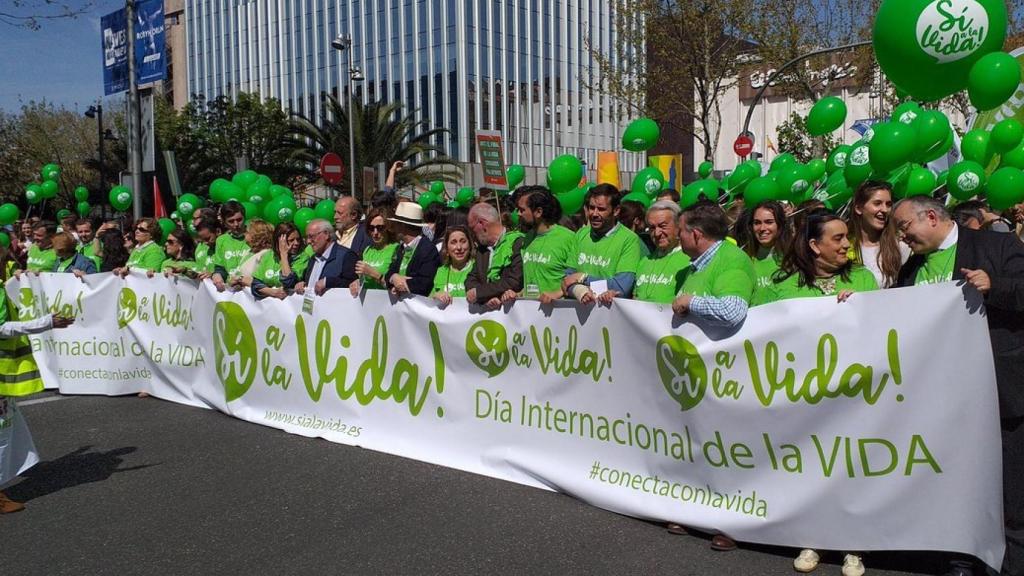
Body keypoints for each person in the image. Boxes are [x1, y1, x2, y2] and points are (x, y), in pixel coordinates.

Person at [893, 195, 1024, 576]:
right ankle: (962, 557)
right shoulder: (911, 268)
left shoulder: (996, 245)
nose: (903, 238)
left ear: (931, 216)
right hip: (945, 396)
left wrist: (994, 285)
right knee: (959, 481)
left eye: (905, 228)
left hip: (1001, 389)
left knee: (1010, 484)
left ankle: (1013, 562)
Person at [753, 209, 877, 306]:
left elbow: (879, 319)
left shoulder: (863, 277)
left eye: (846, 237)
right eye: (838, 238)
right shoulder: (780, 285)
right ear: (814, 245)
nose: (847, 244)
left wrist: (861, 304)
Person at [673, 200, 755, 332]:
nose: (678, 237)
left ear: (695, 234)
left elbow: (732, 312)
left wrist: (690, 302)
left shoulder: (732, 260)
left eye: (681, 231)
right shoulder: (699, 262)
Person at [562, 184, 644, 304]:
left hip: (610, 317)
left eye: (601, 209)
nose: (594, 214)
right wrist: (580, 291)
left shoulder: (629, 239)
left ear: (616, 211)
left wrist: (584, 278)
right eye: (591, 207)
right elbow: (567, 278)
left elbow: (621, 287)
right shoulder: (581, 234)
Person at [514, 187, 576, 302]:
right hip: (531, 314)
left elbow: (579, 277)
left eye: (522, 210)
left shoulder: (569, 238)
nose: (518, 213)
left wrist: (558, 293)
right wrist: (520, 294)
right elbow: (534, 280)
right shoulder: (527, 238)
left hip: (559, 313)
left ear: (538, 212)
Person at [847, 181, 909, 288]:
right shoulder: (844, 247)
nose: (885, 210)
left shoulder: (900, 246)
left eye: (888, 204)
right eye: (877, 203)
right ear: (858, 208)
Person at [465, 202, 525, 308]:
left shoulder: (517, 242)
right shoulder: (482, 250)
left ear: (482, 224)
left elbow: (515, 281)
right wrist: (486, 298)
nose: (472, 234)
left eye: (472, 228)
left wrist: (480, 292)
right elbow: (471, 279)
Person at [634, 201, 691, 303]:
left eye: (663, 226)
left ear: (678, 226)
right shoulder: (644, 261)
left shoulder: (690, 261)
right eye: (652, 228)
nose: (657, 233)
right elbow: (635, 297)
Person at [384, 203, 440, 297]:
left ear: (403, 226)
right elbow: (389, 273)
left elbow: (424, 283)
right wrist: (394, 278)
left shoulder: (428, 250)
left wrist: (401, 284)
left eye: (396, 224)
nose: (394, 228)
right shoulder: (400, 248)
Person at [736, 201, 792, 292]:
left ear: (780, 225)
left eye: (769, 222)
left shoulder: (793, 257)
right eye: (757, 223)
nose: (762, 228)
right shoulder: (744, 259)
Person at [294, 219, 358, 297]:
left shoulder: (346, 256)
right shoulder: (313, 259)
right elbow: (311, 285)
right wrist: (302, 284)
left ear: (326, 234)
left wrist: (328, 282)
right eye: (306, 237)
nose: (308, 241)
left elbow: (354, 284)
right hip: (312, 308)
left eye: (311, 236)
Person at [350, 208, 399, 296]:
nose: (375, 232)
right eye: (371, 228)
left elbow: (396, 283)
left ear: (388, 228)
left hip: (387, 302)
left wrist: (372, 273)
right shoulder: (367, 250)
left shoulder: (396, 248)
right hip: (370, 302)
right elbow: (363, 278)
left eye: (380, 228)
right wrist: (357, 282)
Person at [251, 222, 307, 300]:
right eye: (291, 240)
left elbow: (289, 283)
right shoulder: (268, 255)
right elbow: (255, 285)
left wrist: (284, 255)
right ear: (279, 242)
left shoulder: (303, 257)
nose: (296, 243)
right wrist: (273, 292)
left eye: (298, 239)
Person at [431, 226, 475, 306]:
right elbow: (429, 300)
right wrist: (435, 296)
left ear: (470, 245)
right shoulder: (441, 271)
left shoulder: (478, 268)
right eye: (453, 242)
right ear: (447, 249)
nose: (459, 247)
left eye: (463, 241)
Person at [211, 201, 249, 291]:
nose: (236, 224)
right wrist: (217, 275)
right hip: (232, 291)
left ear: (245, 217)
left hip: (252, 290)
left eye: (239, 220)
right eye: (231, 221)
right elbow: (220, 268)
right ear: (224, 222)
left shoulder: (255, 236)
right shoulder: (221, 240)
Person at [231, 219, 274, 290]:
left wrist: (240, 279)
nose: (244, 234)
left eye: (247, 232)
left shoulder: (266, 254)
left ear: (257, 236)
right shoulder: (249, 252)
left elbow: (264, 282)